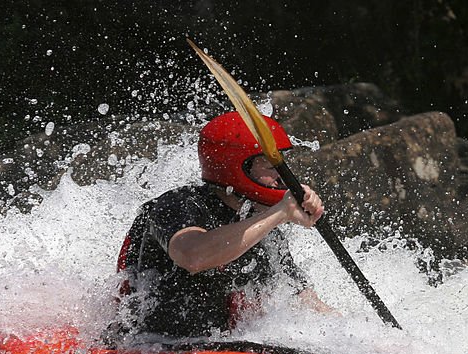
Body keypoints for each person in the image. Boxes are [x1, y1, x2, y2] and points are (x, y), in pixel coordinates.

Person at [112, 111, 331, 339]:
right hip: (146, 347)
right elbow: (193, 256)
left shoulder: (264, 229)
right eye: (269, 167)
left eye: (283, 166)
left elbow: (306, 303)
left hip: (215, 352)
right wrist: (280, 213)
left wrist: (361, 342)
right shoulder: (177, 205)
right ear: (235, 166)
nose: (283, 178)